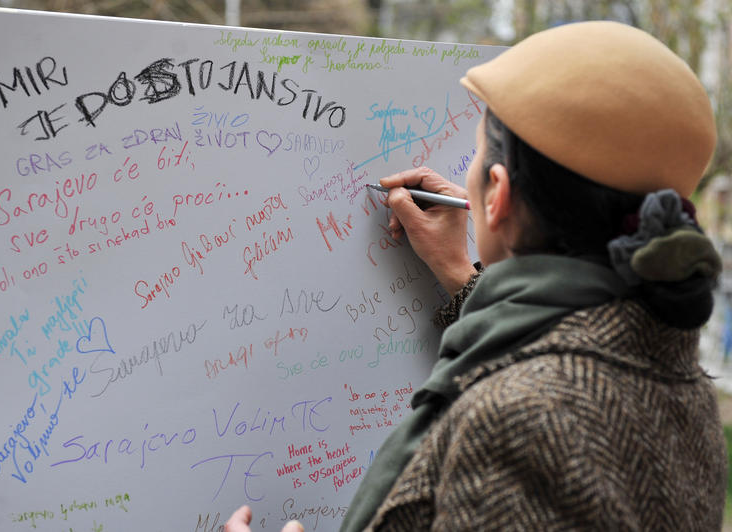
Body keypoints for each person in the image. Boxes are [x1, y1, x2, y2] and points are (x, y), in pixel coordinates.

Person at [227, 20, 726, 531]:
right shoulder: (679, 379)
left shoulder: (516, 421)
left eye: (475, 157)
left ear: (497, 192)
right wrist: (459, 274)